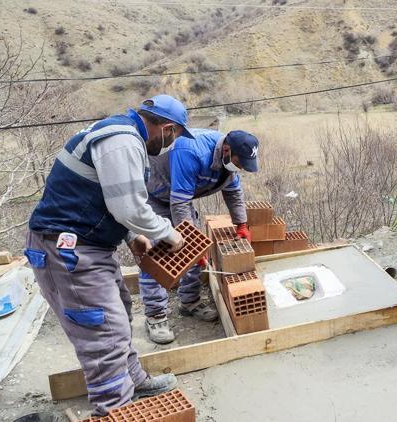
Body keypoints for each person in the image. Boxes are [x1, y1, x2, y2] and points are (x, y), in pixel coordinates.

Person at [25, 95, 195, 416]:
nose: (172, 144)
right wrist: (167, 234)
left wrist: (133, 237)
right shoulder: (122, 141)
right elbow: (129, 207)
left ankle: (133, 379)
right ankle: (114, 408)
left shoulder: (121, 133)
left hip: (86, 244)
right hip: (70, 249)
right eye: (174, 137)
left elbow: (111, 195)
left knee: (118, 312)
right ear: (168, 129)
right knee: (102, 332)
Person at [140, 129, 259, 343]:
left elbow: (233, 192)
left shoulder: (229, 161)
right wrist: (189, 244)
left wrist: (241, 224)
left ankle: (190, 302)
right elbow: (179, 203)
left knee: (195, 246)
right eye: (239, 163)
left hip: (179, 198)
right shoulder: (190, 151)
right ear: (225, 150)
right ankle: (155, 315)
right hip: (156, 196)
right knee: (159, 254)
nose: (239, 168)